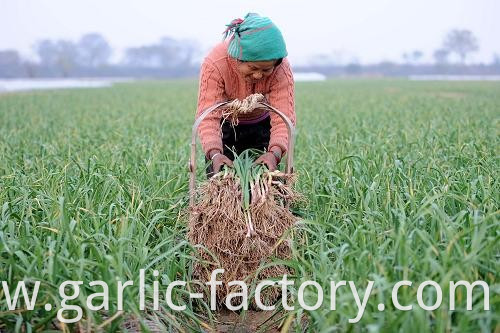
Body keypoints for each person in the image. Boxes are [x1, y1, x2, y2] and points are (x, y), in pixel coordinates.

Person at [195, 13, 295, 177]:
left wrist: (274, 153)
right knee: (220, 178)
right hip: (225, 125)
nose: (258, 75)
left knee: (266, 179)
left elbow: (283, 118)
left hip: (262, 125)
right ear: (238, 58)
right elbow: (208, 115)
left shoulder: (281, 69)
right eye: (253, 68)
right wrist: (214, 153)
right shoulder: (216, 63)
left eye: (265, 70)